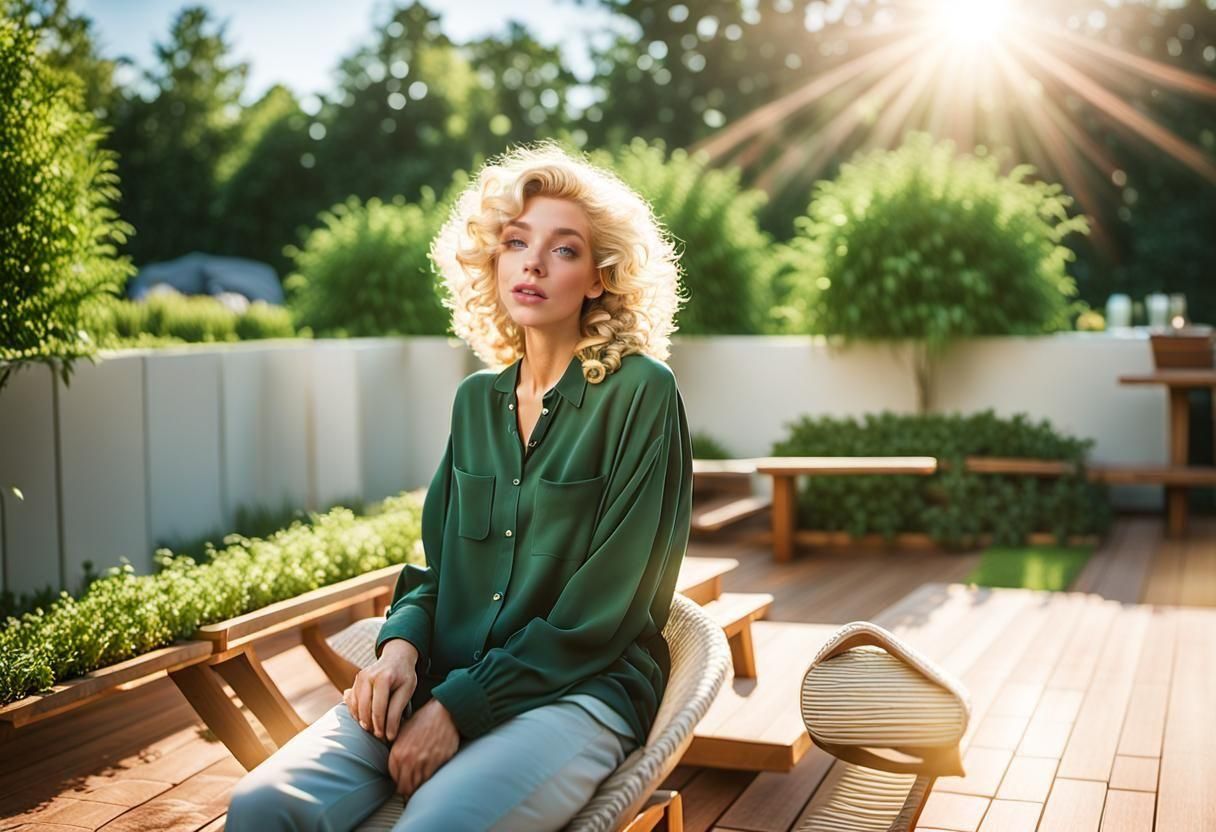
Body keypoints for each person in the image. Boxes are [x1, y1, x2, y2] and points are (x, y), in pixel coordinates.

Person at [224, 140, 694, 831]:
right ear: (492, 259)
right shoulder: (476, 401)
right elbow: (439, 573)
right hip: (444, 677)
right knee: (260, 805)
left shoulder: (640, 395)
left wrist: (460, 708)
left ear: (600, 277)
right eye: (515, 242)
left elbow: (604, 611)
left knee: (435, 824)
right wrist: (398, 652)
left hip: (580, 695)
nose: (532, 262)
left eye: (564, 249)